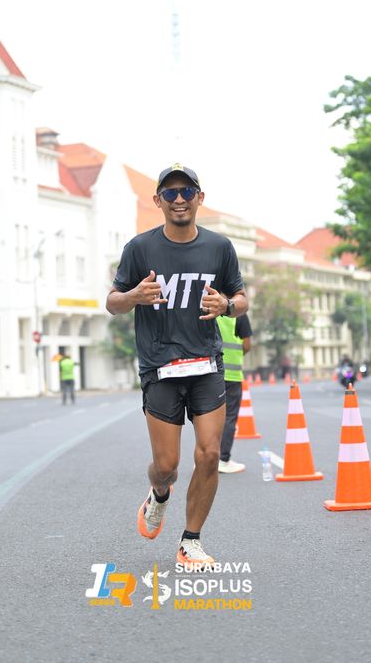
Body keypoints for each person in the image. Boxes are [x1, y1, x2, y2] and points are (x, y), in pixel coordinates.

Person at [106, 163, 248, 569]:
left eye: (187, 191)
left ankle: (191, 542)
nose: (179, 199)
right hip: (161, 368)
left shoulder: (220, 247)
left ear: (200, 198)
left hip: (206, 364)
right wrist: (133, 296)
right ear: (158, 201)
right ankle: (159, 494)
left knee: (209, 454)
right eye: (170, 193)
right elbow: (112, 303)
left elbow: (241, 299)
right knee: (167, 466)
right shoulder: (140, 248)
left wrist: (227, 305)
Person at [216, 313, 253, 473]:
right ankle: (222, 460)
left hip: (209, 374)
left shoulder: (207, 307)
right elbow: (247, 345)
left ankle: (205, 459)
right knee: (229, 417)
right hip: (231, 376)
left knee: (206, 417)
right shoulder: (239, 313)